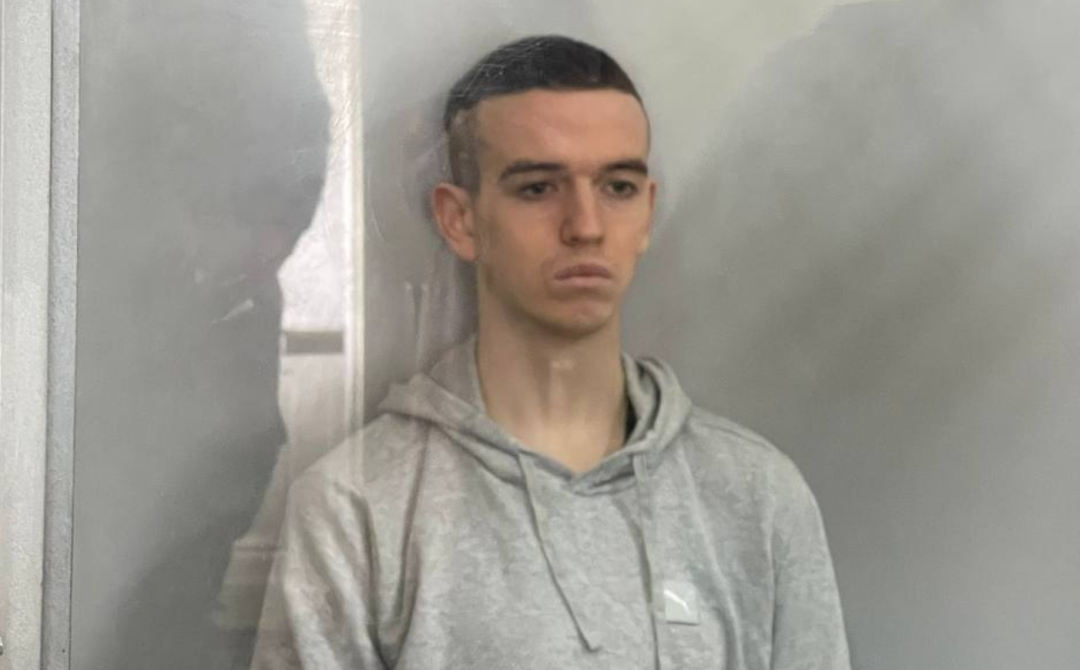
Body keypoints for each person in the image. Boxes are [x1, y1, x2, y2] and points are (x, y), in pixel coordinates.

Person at [250, 34, 851, 669]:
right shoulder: (356, 510)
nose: (585, 226)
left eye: (618, 187)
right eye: (538, 188)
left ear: (647, 213)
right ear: (459, 219)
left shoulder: (757, 496)